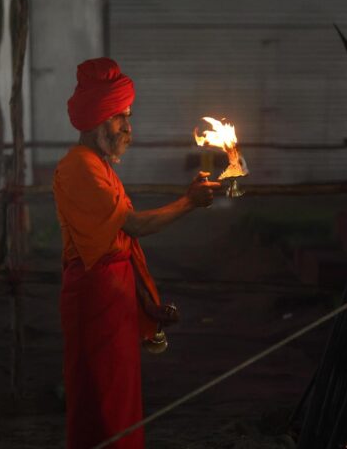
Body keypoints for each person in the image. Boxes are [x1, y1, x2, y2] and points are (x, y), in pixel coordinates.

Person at [53, 57, 221, 448]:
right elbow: (134, 226)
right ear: (96, 120)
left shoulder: (99, 165)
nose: (129, 127)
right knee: (103, 404)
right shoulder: (78, 167)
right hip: (95, 298)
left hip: (114, 296)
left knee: (120, 401)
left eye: (128, 116)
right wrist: (189, 203)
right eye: (119, 117)